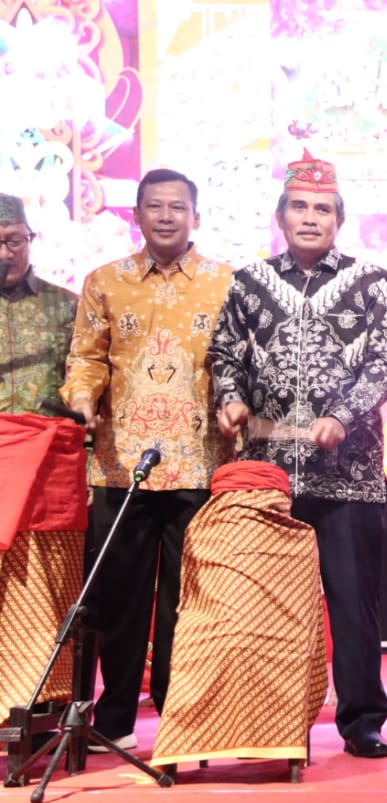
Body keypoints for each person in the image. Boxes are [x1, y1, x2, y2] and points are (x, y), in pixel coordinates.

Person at [209, 150, 387, 759]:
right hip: (266, 474)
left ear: (338, 219)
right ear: (281, 216)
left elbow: (383, 365)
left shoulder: (373, 283)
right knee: (265, 603)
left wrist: (341, 417)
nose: (311, 217)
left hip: (348, 474)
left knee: (352, 603)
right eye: (300, 207)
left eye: (323, 208)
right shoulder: (247, 283)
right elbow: (224, 355)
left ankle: (362, 719)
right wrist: (233, 399)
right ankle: (264, 719)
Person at [61, 169, 235, 751]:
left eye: (177, 207)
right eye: (154, 206)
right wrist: (82, 399)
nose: (166, 216)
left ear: (196, 217)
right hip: (120, 463)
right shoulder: (105, 282)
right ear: (136, 215)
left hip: (199, 462)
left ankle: (178, 714)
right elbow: (86, 358)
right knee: (119, 599)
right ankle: (112, 720)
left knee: (188, 599)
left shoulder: (226, 283)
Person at [0, 193, 77, 415]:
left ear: (30, 239)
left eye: (14, 241)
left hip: (47, 442)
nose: (5, 253)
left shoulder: (69, 305)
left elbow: (87, 374)